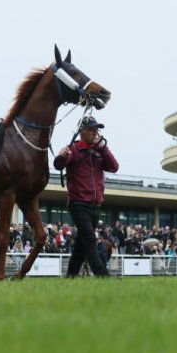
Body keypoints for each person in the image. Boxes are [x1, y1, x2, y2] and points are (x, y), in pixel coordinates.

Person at [53, 116, 119, 278]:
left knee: (81, 246)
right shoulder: (73, 149)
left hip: (95, 206)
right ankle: (103, 277)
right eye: (91, 129)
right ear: (81, 131)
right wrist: (61, 156)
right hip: (78, 204)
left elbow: (114, 167)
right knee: (90, 241)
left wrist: (103, 148)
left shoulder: (99, 150)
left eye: (97, 129)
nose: (95, 132)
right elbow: (58, 165)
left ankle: (70, 277)